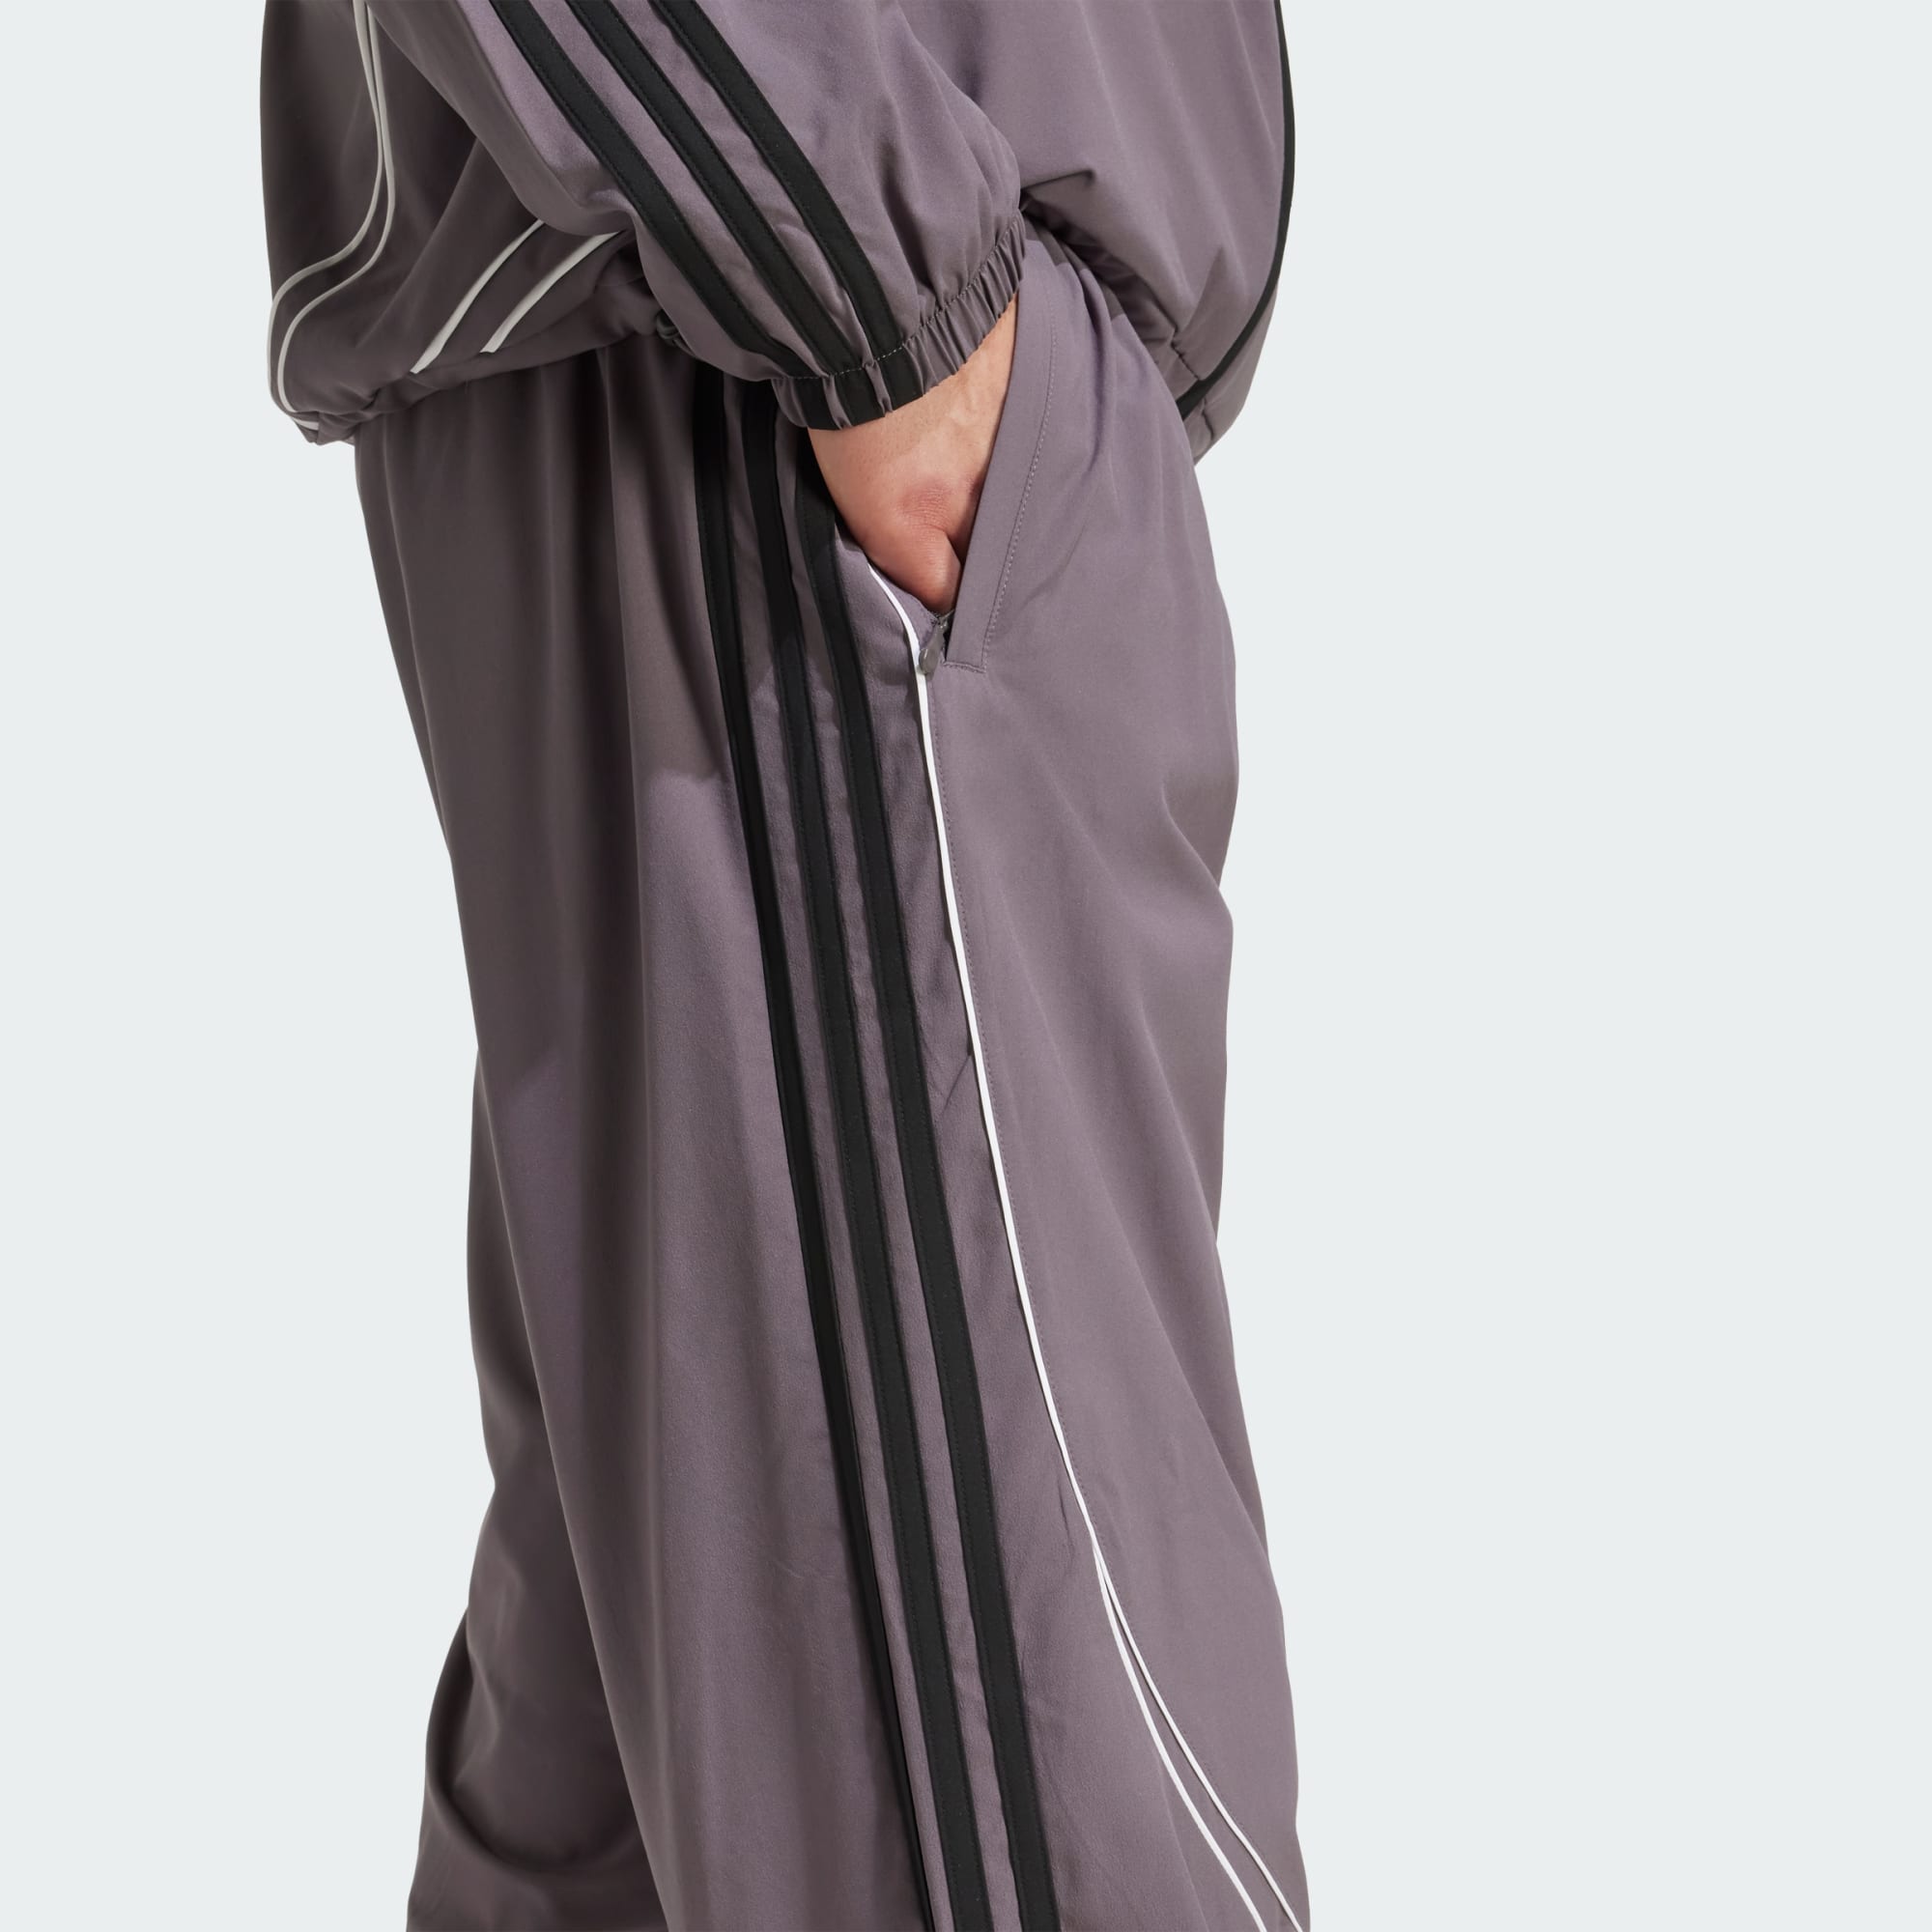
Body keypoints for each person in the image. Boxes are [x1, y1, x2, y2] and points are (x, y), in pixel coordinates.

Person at [262, 3, 1305, 1926]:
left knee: (650, 1736)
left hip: (905, 346)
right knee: (1022, 1771)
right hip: (794, 349)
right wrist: (861, 265)